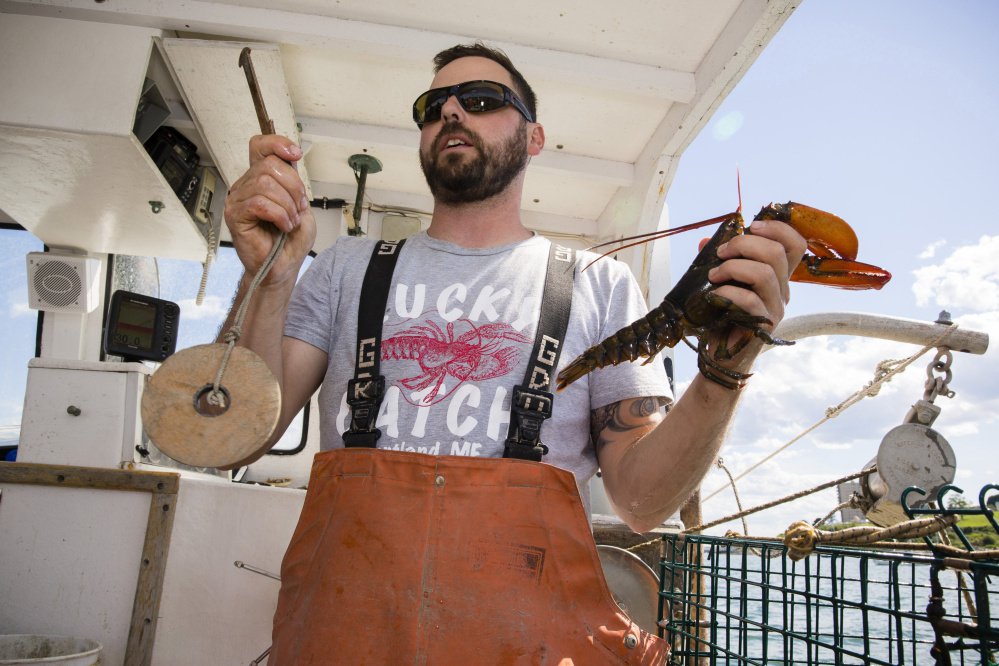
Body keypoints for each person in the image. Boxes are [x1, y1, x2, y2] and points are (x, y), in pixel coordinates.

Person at [222, 42, 805, 664]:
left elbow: (642, 502)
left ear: (533, 138)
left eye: (481, 100)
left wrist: (725, 369)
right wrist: (270, 279)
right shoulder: (344, 269)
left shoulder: (598, 284)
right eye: (431, 106)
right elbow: (239, 435)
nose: (450, 112)